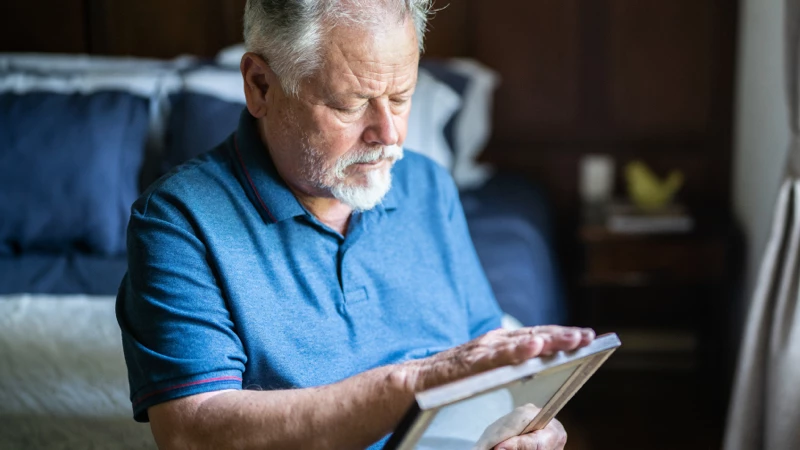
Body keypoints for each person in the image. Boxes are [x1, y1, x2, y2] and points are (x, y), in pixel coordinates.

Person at [115, 1, 595, 449]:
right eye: (350, 104)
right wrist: (414, 382)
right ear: (261, 85)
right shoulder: (177, 222)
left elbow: (489, 364)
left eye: (402, 97)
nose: (389, 134)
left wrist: (529, 425)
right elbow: (191, 430)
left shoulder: (428, 186)